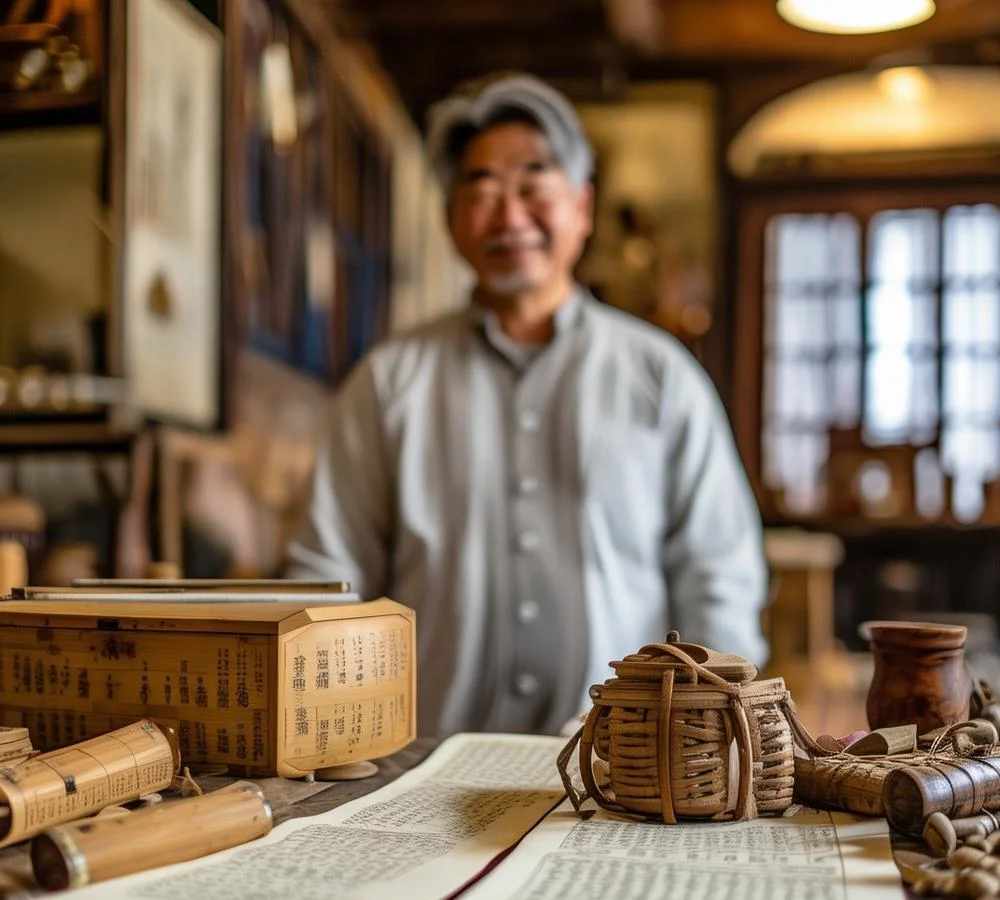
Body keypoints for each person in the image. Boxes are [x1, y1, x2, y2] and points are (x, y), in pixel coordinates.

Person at [285, 72, 767, 737]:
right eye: (481, 190)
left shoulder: (660, 375)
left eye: (533, 188)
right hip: (423, 763)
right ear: (451, 221)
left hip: (624, 767)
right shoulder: (388, 382)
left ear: (582, 208)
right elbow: (329, 577)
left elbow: (719, 577)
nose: (509, 217)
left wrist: (701, 731)